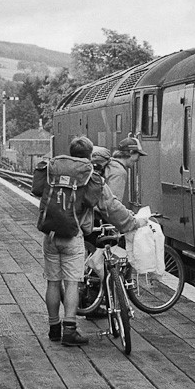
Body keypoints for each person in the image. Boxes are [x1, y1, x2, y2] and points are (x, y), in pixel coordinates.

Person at [32, 136, 142, 347]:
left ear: (71, 152)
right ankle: (70, 330)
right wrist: (131, 223)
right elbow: (110, 207)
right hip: (73, 237)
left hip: (51, 235)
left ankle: (54, 328)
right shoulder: (90, 176)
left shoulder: (55, 167)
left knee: (53, 283)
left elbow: (39, 190)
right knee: (72, 283)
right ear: (90, 155)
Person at [110, 135, 147, 208]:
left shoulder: (111, 164)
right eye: (138, 155)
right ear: (131, 152)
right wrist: (129, 218)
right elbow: (112, 205)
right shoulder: (119, 172)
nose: (138, 159)